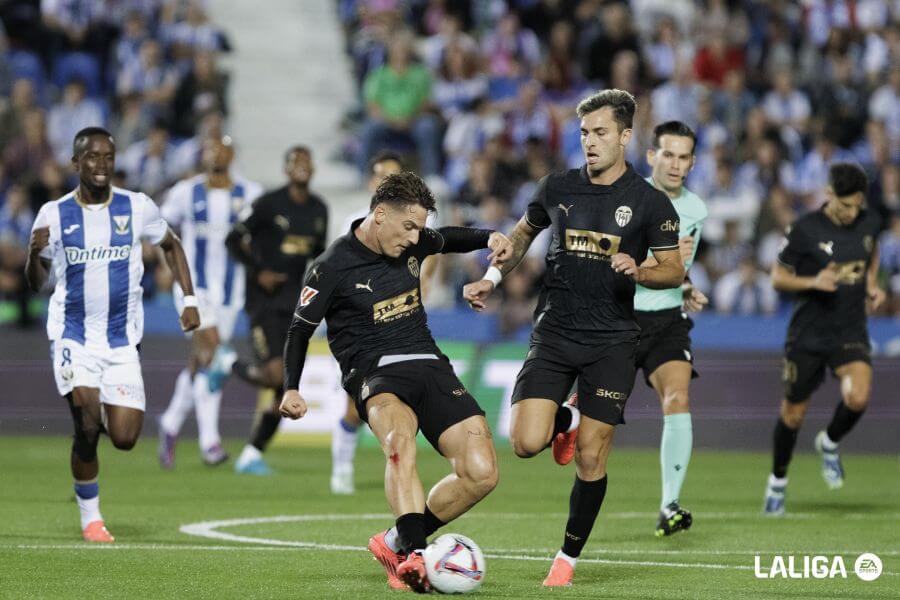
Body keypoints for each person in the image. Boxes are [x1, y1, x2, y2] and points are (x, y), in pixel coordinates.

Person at [463, 89, 684, 587]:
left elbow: (673, 269)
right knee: (524, 442)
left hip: (612, 339)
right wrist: (491, 280)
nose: (590, 141)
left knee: (591, 455)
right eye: (584, 133)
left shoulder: (650, 203)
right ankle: (566, 415)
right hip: (556, 330)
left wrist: (640, 269)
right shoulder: (556, 187)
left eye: (601, 132)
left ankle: (566, 558)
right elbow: (520, 236)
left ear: (626, 137)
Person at [279, 172, 511, 593]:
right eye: (409, 227)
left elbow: (449, 238)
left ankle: (393, 541)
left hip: (429, 364)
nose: (415, 238)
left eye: (419, 228)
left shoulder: (414, 240)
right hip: (375, 372)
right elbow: (298, 330)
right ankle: (415, 557)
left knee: (482, 473)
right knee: (399, 448)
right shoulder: (330, 266)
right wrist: (291, 387)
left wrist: (489, 236)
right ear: (380, 215)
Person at [25, 127, 200, 542]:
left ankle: (92, 416)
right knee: (86, 428)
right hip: (73, 337)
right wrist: (34, 253)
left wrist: (189, 301)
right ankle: (91, 518)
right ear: (76, 163)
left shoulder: (137, 207)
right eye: (92, 157)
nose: (101, 165)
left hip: (122, 342)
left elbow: (171, 245)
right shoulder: (53, 214)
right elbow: (35, 282)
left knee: (123, 438)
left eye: (108, 157)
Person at [763, 163, 885, 515]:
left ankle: (829, 443)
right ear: (829, 193)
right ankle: (777, 483)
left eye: (856, 206)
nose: (851, 213)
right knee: (793, 415)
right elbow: (778, 277)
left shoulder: (869, 221)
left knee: (858, 397)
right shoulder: (805, 229)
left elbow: (871, 249)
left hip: (849, 329)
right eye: (845, 205)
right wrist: (812, 282)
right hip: (808, 334)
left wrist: (872, 283)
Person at [199, 146, 328, 475]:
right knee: (275, 375)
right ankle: (227, 362)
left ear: (312, 169)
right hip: (263, 302)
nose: (302, 167)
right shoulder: (269, 204)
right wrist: (259, 272)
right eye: (295, 161)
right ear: (286, 170)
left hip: (295, 304)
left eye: (306, 161)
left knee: (285, 389)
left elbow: (318, 257)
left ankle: (252, 454)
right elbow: (233, 239)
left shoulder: (318, 210)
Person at [156, 135, 263, 468]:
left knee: (203, 361)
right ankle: (209, 443)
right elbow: (159, 229)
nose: (215, 152)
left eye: (222, 147)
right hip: (194, 289)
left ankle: (171, 422)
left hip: (232, 292)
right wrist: (165, 268)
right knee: (215, 353)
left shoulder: (251, 194)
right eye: (210, 147)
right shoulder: (186, 192)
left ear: (232, 153)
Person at [634, 121, 709, 536]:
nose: (675, 164)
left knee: (678, 398)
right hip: (619, 318)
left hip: (667, 319)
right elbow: (615, 265)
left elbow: (678, 267)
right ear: (652, 156)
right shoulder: (629, 198)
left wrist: (686, 285)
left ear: (692, 162)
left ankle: (669, 504)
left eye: (683, 157)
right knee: (598, 430)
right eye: (668, 155)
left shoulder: (697, 210)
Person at [329, 150, 404, 493]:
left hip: (403, 323)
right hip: (362, 326)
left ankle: (399, 465)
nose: (387, 183)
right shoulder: (355, 223)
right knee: (356, 404)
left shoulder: (418, 226)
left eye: (394, 177)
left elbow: (426, 274)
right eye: (381, 176)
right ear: (372, 182)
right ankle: (342, 467)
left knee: (403, 400)